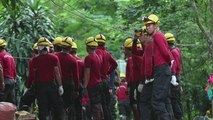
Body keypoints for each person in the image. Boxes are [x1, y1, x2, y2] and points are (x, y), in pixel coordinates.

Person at [142, 14, 174, 120]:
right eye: (146, 25)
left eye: (150, 25)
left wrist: (168, 64)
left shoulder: (158, 36)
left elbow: (165, 52)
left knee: (157, 101)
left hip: (161, 70)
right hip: (161, 70)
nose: (147, 27)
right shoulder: (155, 37)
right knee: (163, 100)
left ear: (156, 25)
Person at [32, 37, 64, 120]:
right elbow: (57, 73)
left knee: (42, 108)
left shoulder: (35, 60)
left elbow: (35, 74)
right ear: (47, 47)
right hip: (51, 85)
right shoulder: (53, 58)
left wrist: (34, 85)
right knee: (56, 106)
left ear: (39, 48)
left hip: (40, 86)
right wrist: (60, 86)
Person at [55, 37, 79, 119]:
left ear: (61, 46)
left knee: (57, 105)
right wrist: (76, 89)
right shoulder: (73, 60)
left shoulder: (55, 56)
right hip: (68, 84)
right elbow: (76, 76)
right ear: (70, 48)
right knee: (68, 106)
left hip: (56, 83)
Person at [95, 34, 118, 120]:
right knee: (106, 105)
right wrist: (107, 72)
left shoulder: (97, 52)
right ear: (104, 44)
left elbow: (99, 61)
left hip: (98, 81)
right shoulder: (107, 53)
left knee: (100, 105)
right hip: (105, 81)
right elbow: (115, 64)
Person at [83, 37, 104, 120]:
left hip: (92, 85)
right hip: (99, 83)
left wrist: (84, 86)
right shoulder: (98, 56)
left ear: (88, 47)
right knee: (98, 104)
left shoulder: (88, 58)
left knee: (95, 106)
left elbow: (87, 73)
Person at [165, 33, 183, 120]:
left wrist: (172, 75)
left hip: (174, 77)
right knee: (176, 100)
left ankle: (178, 117)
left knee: (174, 100)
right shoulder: (176, 50)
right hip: (176, 77)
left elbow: (174, 66)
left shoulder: (173, 52)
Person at [123, 38, 140, 120]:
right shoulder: (137, 57)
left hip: (134, 84)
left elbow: (131, 75)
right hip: (138, 83)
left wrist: (129, 86)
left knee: (134, 103)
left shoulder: (131, 59)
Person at [19, 42, 39, 111]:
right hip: (49, 84)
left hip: (36, 85)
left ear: (34, 51)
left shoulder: (32, 60)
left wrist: (28, 87)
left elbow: (31, 75)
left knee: (24, 101)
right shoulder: (50, 58)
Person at [70, 41, 84, 120]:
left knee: (70, 105)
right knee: (78, 106)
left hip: (70, 85)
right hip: (79, 85)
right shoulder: (81, 61)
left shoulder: (68, 59)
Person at [0, 38, 16, 104]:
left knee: (1, 101)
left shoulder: (0, 55)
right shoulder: (10, 55)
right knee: (10, 102)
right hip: (12, 80)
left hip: (5, 80)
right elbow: (14, 68)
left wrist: (2, 82)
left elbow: (0, 68)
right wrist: (14, 80)